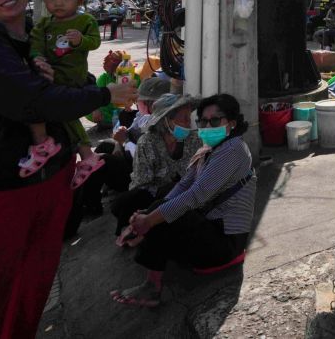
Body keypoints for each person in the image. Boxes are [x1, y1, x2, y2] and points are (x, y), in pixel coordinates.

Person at [0, 0, 136, 338]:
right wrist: (102, 94)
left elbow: (71, 73)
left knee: (34, 284)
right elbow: (36, 102)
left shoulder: (38, 36)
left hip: (54, 179)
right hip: (1, 188)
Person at [111, 94, 255, 308]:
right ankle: (142, 242)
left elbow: (196, 195)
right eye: (203, 121)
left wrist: (150, 220)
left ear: (231, 124)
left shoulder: (233, 149)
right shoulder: (209, 149)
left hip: (227, 243)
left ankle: (152, 288)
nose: (206, 126)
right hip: (210, 226)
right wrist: (150, 213)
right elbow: (183, 184)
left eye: (215, 121)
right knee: (163, 204)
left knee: (171, 214)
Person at [27, 0, 105, 185]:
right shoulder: (44, 24)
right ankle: (86, 154)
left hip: (72, 75)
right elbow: (35, 43)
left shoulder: (85, 21)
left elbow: (95, 42)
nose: (58, 3)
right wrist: (38, 58)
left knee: (55, 107)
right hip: (49, 73)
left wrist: (80, 40)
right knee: (62, 114)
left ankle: (46, 143)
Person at [74, 76, 170, 223]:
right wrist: (119, 143)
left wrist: (124, 142)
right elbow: (126, 133)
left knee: (101, 161)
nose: (137, 103)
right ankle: (90, 192)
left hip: (143, 177)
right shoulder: (144, 117)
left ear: (153, 104)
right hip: (133, 160)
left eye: (140, 101)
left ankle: (91, 205)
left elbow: (144, 154)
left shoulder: (159, 124)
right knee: (105, 145)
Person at [111, 90, 202, 239]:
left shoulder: (194, 140)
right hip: (153, 195)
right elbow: (140, 184)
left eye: (188, 117)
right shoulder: (147, 142)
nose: (188, 122)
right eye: (184, 118)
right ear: (166, 121)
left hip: (183, 194)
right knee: (127, 201)